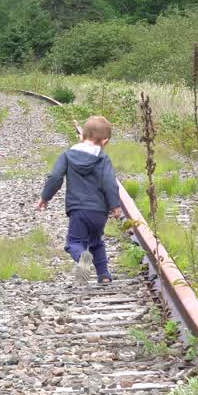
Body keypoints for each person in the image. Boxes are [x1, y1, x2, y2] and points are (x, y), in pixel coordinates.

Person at [36, 115, 124, 284]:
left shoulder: (68, 155)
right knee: (96, 242)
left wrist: (45, 197)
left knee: (75, 243)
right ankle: (103, 276)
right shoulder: (103, 158)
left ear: (82, 136)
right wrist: (115, 206)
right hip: (99, 212)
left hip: (78, 210)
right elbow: (109, 183)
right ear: (105, 141)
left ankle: (84, 260)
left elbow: (55, 177)